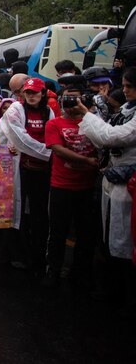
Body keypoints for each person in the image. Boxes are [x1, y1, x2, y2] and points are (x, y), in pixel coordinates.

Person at [77, 68, 136, 291]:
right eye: (125, 85)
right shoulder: (124, 110)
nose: (126, 91)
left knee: (126, 235)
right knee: (110, 231)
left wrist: (87, 114)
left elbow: (111, 137)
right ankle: (114, 283)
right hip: (113, 179)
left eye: (130, 86)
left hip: (129, 183)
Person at [41, 84, 99, 288]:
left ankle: (80, 273)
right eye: (67, 99)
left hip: (87, 187)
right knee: (57, 232)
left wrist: (89, 114)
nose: (71, 103)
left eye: (75, 98)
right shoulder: (54, 124)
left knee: (86, 233)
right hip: (61, 185)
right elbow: (57, 149)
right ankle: (53, 270)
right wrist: (87, 162)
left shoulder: (93, 123)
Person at [0, 77, 53, 276]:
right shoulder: (15, 110)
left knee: (39, 214)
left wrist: (49, 152)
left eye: (35, 92)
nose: (31, 96)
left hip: (41, 171)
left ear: (43, 93)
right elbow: (20, 139)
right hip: (18, 169)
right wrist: (50, 153)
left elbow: (52, 135)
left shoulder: (49, 112)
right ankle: (16, 255)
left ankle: (39, 257)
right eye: (27, 93)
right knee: (15, 213)